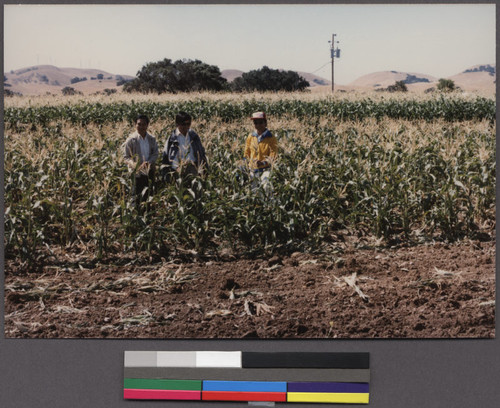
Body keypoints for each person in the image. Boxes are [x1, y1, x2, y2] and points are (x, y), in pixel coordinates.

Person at [122, 114, 159, 208]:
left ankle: (148, 214)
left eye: (144, 124)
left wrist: (149, 162)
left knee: (149, 195)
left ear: (147, 125)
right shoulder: (131, 140)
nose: (141, 127)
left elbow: (155, 153)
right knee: (136, 196)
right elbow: (126, 157)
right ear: (135, 125)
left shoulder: (152, 139)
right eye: (139, 124)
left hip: (149, 171)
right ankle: (136, 216)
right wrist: (134, 165)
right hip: (137, 173)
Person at [162, 111, 208, 181]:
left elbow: (201, 153)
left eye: (188, 124)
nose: (186, 127)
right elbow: (168, 157)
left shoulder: (193, 136)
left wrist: (203, 169)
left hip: (194, 168)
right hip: (178, 170)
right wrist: (178, 168)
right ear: (177, 124)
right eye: (183, 124)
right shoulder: (172, 139)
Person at [244, 112, 278, 192]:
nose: (258, 125)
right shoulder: (251, 136)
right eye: (255, 123)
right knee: (254, 191)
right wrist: (245, 163)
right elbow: (246, 152)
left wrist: (263, 163)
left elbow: (273, 156)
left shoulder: (271, 138)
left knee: (267, 187)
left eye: (260, 123)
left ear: (265, 123)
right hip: (252, 169)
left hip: (266, 170)